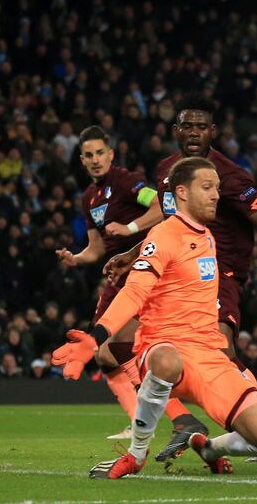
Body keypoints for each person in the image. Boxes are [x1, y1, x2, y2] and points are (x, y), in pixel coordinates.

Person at [53, 157, 257, 479]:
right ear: (182, 192)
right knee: (167, 360)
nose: (216, 194)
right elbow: (134, 293)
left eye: (217, 187)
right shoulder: (163, 236)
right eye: (207, 187)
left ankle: (209, 447)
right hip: (163, 346)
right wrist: (96, 336)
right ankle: (136, 455)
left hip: (208, 355)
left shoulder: (207, 237)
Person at [103, 94, 257, 462]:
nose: (194, 132)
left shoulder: (231, 176)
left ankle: (251, 430)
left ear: (213, 132)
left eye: (201, 126)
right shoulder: (167, 172)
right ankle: (185, 421)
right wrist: (132, 254)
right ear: (175, 131)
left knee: (219, 346)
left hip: (220, 273)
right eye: (187, 125)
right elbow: (167, 222)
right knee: (117, 345)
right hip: (176, 270)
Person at [55, 126, 205, 441]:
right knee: (106, 354)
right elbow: (96, 248)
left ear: (111, 154)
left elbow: (162, 207)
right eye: (88, 155)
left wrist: (131, 226)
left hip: (143, 269)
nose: (95, 160)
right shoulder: (89, 197)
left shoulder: (127, 181)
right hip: (116, 276)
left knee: (119, 345)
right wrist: (76, 258)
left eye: (100, 153)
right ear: (81, 160)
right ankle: (142, 419)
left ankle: (178, 417)